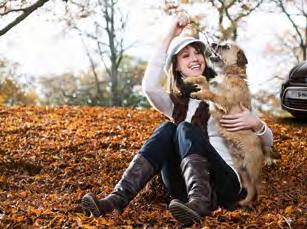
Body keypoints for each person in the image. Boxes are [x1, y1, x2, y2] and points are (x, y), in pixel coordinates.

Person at [81, 13, 274, 226]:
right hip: (182, 188)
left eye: (197, 53)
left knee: (184, 128)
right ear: (177, 67)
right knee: (169, 129)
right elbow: (149, 87)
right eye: (186, 55)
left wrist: (256, 124)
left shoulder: (224, 94)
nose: (194, 58)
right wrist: (169, 35)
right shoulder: (175, 103)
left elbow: (267, 143)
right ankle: (116, 200)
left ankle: (201, 202)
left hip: (224, 183)